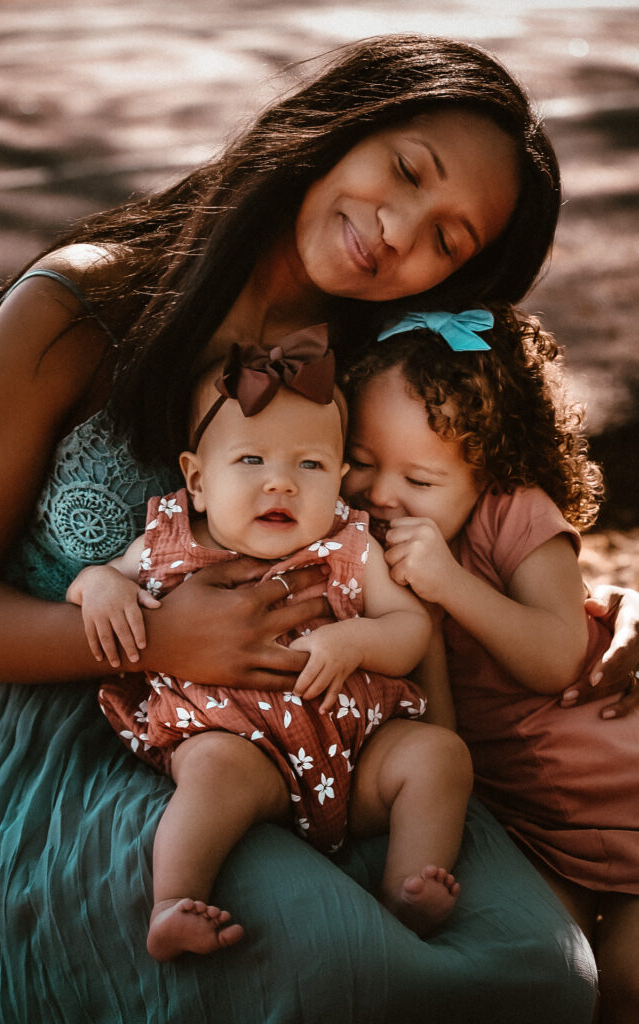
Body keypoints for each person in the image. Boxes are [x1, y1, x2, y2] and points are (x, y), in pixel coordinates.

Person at [0, 32, 636, 1024]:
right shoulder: (79, 306)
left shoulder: (377, 360)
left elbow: (480, 519)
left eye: (447, 239)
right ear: (344, 121)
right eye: (406, 170)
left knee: (538, 963)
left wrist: (581, 623)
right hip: (84, 737)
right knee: (336, 966)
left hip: (343, 733)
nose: (398, 228)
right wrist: (152, 634)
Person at [66, 338, 472, 958]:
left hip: (356, 754)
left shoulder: (350, 544)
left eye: (309, 466)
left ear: (338, 481)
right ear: (198, 481)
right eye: (251, 459)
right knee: (209, 777)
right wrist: (97, 585)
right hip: (238, 750)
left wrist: (359, 638)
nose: (280, 483)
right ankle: (173, 901)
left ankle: (406, 890)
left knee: (438, 755)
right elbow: (100, 579)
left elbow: (411, 630)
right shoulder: (167, 539)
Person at [342, 306, 639, 1024]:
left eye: (418, 478)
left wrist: (449, 586)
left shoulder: (517, 516)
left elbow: (555, 656)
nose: (383, 495)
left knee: (631, 975)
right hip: (531, 822)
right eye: (362, 459)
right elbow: (441, 730)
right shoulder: (368, 555)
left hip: (619, 791)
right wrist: (426, 623)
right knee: (547, 976)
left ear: (486, 472)